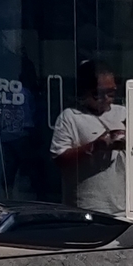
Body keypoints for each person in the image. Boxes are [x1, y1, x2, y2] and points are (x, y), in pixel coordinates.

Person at [48, 61, 125, 212]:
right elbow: (59, 159)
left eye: (112, 93)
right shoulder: (70, 117)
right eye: (99, 94)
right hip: (87, 207)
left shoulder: (123, 113)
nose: (107, 99)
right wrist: (95, 147)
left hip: (123, 206)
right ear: (85, 91)